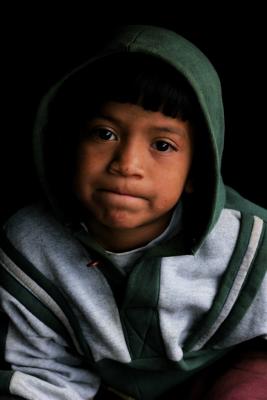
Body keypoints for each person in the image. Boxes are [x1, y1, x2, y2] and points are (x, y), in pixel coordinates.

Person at [0, 24, 266, 400]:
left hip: (225, 374)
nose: (127, 164)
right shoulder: (32, 244)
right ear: (70, 143)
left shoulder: (246, 241)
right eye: (105, 133)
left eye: (162, 144)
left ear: (197, 171)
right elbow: (42, 373)